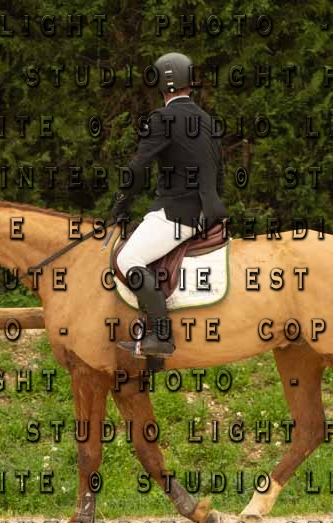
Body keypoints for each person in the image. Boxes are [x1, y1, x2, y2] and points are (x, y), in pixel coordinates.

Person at [112, 52, 229, 359]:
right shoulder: (208, 121)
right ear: (190, 83)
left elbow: (138, 168)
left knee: (129, 258)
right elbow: (219, 175)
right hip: (209, 215)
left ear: (162, 86)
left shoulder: (161, 119)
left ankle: (161, 336)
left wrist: (121, 204)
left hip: (178, 214)